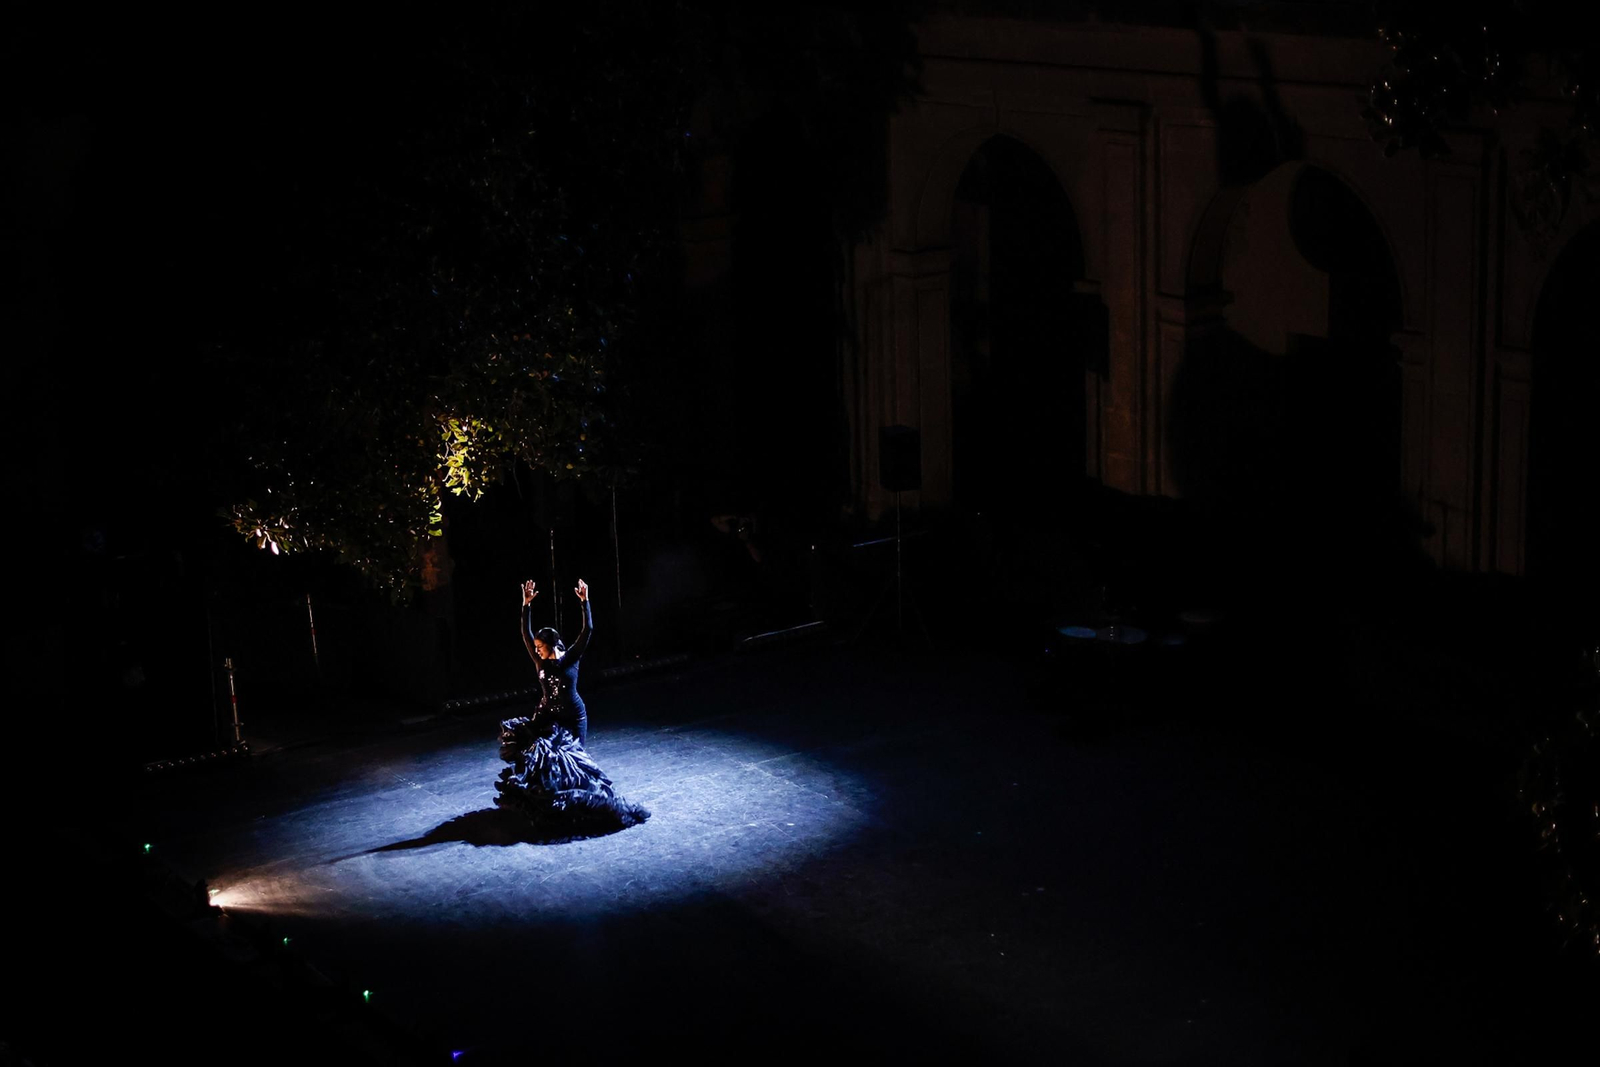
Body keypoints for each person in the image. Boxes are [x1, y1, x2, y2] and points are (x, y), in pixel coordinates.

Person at [495, 577, 649, 834]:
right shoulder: (540, 662)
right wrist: (526, 605)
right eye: (536, 647)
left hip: (573, 718)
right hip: (547, 717)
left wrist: (584, 602)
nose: (537, 650)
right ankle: (546, 809)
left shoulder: (570, 659)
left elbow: (587, 631)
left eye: (540, 647)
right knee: (541, 761)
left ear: (552, 645)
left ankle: (579, 812)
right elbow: (525, 633)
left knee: (575, 767)